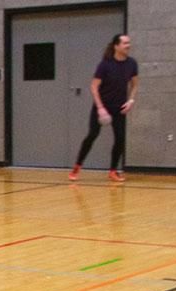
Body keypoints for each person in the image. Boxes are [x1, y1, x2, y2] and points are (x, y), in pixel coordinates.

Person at [68, 34, 139, 184]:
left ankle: (113, 171)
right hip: (102, 106)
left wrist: (131, 100)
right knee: (92, 135)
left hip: (119, 107)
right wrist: (100, 108)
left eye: (129, 43)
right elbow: (94, 87)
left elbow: (135, 84)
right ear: (116, 46)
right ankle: (77, 166)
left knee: (120, 138)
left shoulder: (132, 63)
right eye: (125, 43)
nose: (128, 45)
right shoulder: (105, 65)